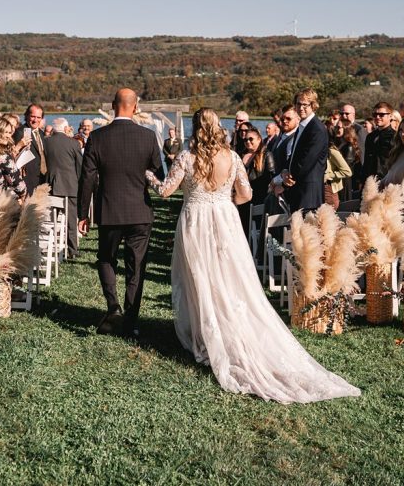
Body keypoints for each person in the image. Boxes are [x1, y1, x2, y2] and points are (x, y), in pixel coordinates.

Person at [146, 107, 359, 404]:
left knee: (199, 276)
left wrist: (148, 177)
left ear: (195, 127)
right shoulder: (232, 157)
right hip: (225, 219)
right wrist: (222, 201)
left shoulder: (187, 156)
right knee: (231, 279)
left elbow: (166, 191)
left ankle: (205, 336)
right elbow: (245, 195)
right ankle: (226, 328)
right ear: (219, 127)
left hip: (196, 220)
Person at [77, 88, 163, 338]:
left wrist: (83, 213)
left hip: (110, 210)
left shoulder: (97, 137)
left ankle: (113, 306)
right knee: (136, 266)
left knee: (106, 258)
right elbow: (159, 176)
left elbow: (87, 178)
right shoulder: (148, 137)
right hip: (140, 211)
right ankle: (132, 319)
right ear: (135, 107)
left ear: (113, 105)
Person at [279, 89, 328, 214]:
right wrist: (284, 170)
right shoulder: (302, 126)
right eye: (298, 104)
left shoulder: (317, 129)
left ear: (313, 105)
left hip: (309, 195)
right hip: (298, 191)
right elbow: (294, 155)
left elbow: (306, 162)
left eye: (305, 104)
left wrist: (284, 183)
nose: (301, 108)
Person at [44, 117, 83, 257]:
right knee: (71, 220)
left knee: (50, 219)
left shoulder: (45, 142)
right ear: (66, 128)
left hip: (50, 185)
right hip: (70, 185)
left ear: (54, 128)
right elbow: (79, 166)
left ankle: (48, 246)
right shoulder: (74, 144)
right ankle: (72, 250)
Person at [238, 124, 275, 233]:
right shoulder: (241, 155)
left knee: (254, 229)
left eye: (251, 139)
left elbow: (271, 176)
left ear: (259, 139)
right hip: (242, 198)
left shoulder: (267, 155)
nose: (248, 141)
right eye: (245, 140)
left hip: (258, 198)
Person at [14, 104, 47, 194]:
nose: (35, 120)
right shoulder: (19, 132)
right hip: (27, 179)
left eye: (38, 117)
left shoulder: (42, 133)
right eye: (32, 116)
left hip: (42, 178)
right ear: (26, 116)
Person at [361, 102, 396, 183]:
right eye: (375, 114)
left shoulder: (395, 137)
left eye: (381, 115)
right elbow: (366, 160)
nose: (377, 117)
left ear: (390, 116)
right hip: (369, 182)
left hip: (387, 181)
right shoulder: (370, 136)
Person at [335, 124, 362, 202]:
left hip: (346, 178)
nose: (338, 130)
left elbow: (347, 163)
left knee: (345, 200)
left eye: (341, 128)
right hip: (346, 177)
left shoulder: (348, 146)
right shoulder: (344, 144)